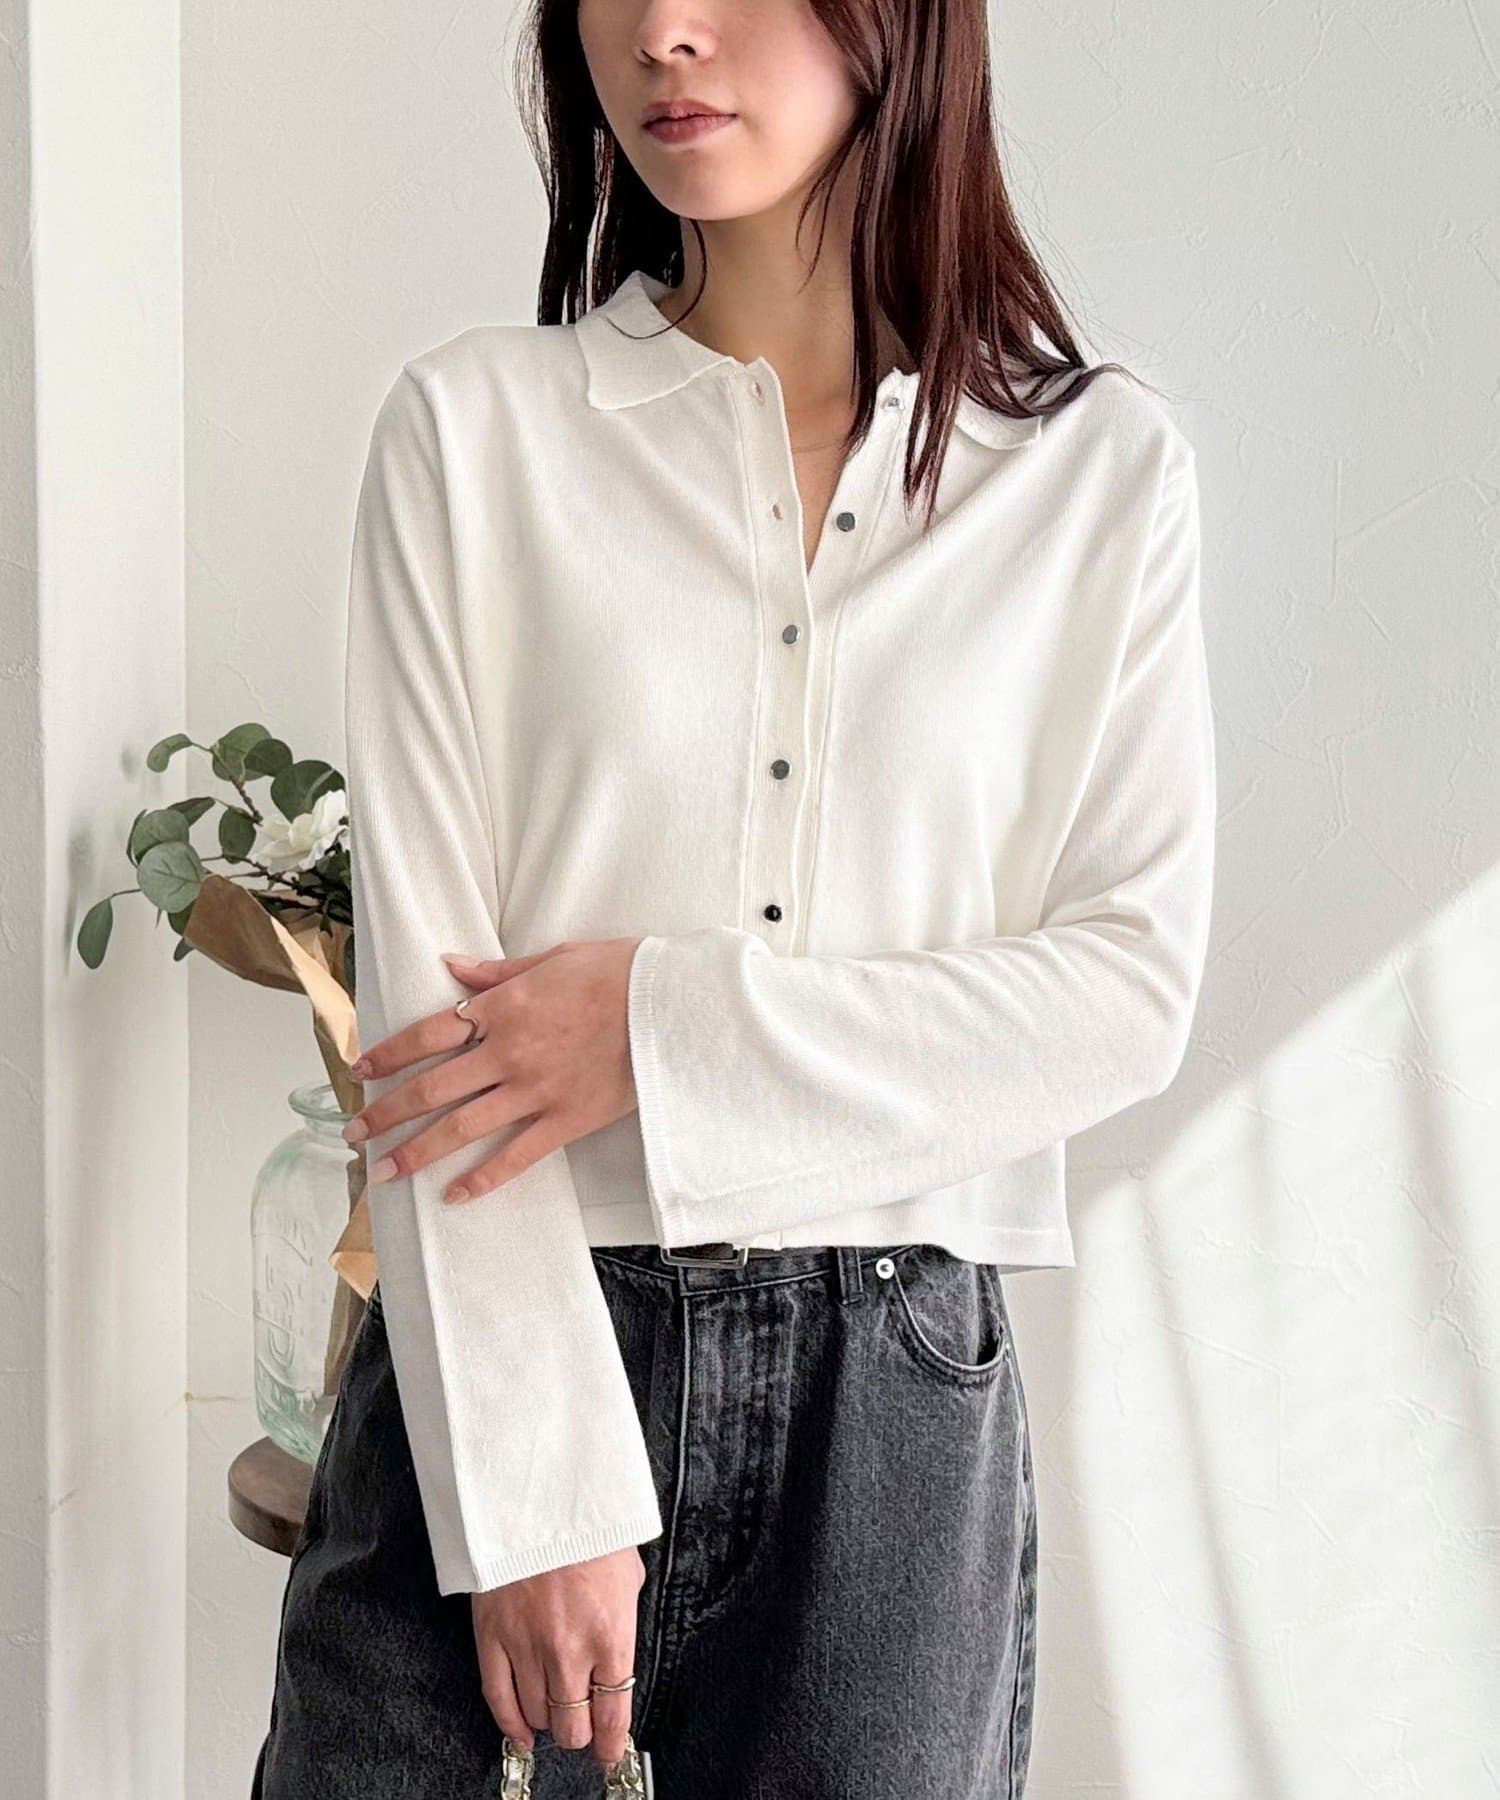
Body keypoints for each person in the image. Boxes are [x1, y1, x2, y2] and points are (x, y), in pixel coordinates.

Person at [251, 0, 1216, 1794]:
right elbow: (427, 1033)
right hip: (512, 1343)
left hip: (890, 1416)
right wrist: (535, 1499)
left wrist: (653, 1026)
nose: (665, 33)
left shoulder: (1096, 474)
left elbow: (1123, 993)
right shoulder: (476, 433)